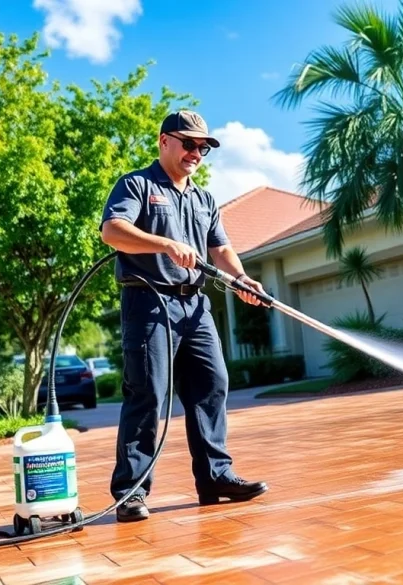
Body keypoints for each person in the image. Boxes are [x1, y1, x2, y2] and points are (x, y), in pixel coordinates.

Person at [99, 110, 269, 522]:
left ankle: (215, 477)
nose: (197, 152)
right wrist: (164, 244)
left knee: (213, 384)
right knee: (148, 393)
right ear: (164, 142)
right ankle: (131, 493)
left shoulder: (203, 198)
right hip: (149, 304)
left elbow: (220, 249)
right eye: (189, 143)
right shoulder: (137, 184)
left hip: (195, 306)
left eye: (204, 147)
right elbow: (112, 231)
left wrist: (242, 279)